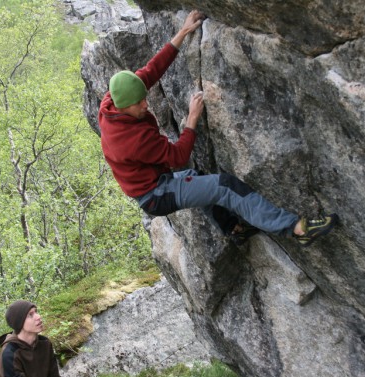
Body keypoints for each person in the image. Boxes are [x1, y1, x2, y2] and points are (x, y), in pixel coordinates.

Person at [99, 10, 338, 247]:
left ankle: (234, 229)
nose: (145, 103)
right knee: (224, 186)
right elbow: (179, 156)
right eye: (139, 103)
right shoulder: (131, 140)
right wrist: (192, 118)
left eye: (143, 96)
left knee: (200, 179)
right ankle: (297, 229)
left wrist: (183, 32)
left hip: (155, 183)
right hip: (157, 194)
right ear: (124, 107)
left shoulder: (114, 101)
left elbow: (152, 70)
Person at [0, 300, 81, 377]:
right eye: (30, 315)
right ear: (19, 323)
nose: (38, 317)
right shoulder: (9, 353)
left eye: (36, 311)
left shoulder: (45, 344)